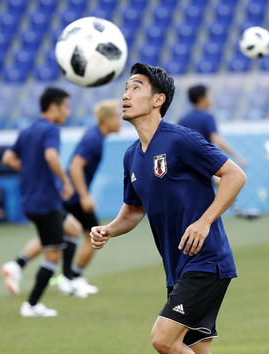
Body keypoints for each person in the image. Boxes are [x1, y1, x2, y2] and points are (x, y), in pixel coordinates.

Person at [90, 63, 246, 354]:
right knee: (196, 348)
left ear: (157, 100)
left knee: (163, 339)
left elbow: (235, 175)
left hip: (205, 261)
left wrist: (205, 221)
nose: (126, 94)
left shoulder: (180, 139)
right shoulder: (131, 157)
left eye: (136, 88)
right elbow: (133, 210)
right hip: (176, 266)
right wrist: (108, 230)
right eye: (126, 88)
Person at [5, 100, 123, 296]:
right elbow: (75, 167)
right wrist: (84, 196)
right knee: (93, 234)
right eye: (117, 117)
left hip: (70, 194)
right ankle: (72, 278)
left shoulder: (95, 136)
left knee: (54, 234)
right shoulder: (93, 138)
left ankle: (19, 264)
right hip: (74, 196)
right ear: (107, 119)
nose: (120, 121)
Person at [1, 87, 76, 317]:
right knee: (53, 254)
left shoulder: (28, 130)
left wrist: (30, 170)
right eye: (66, 106)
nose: (68, 112)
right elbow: (51, 156)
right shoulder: (51, 129)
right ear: (53, 107)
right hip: (46, 201)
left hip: (30, 200)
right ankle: (32, 305)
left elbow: (7, 158)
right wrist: (65, 181)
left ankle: (19, 265)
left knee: (71, 229)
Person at [178, 85, 257, 220]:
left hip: (185, 163)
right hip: (202, 162)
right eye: (209, 95)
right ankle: (234, 210)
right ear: (202, 98)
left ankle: (236, 209)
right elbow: (216, 139)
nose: (211, 98)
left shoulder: (182, 120)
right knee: (228, 180)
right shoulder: (207, 118)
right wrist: (237, 156)